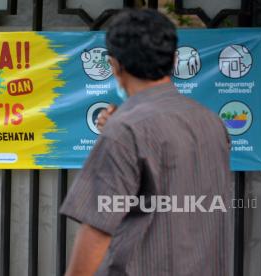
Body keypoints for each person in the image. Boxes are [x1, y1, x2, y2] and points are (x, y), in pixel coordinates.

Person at [60, 9, 233, 276]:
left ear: (115, 65)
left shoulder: (126, 129)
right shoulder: (210, 122)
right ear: (174, 60)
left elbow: (97, 227)